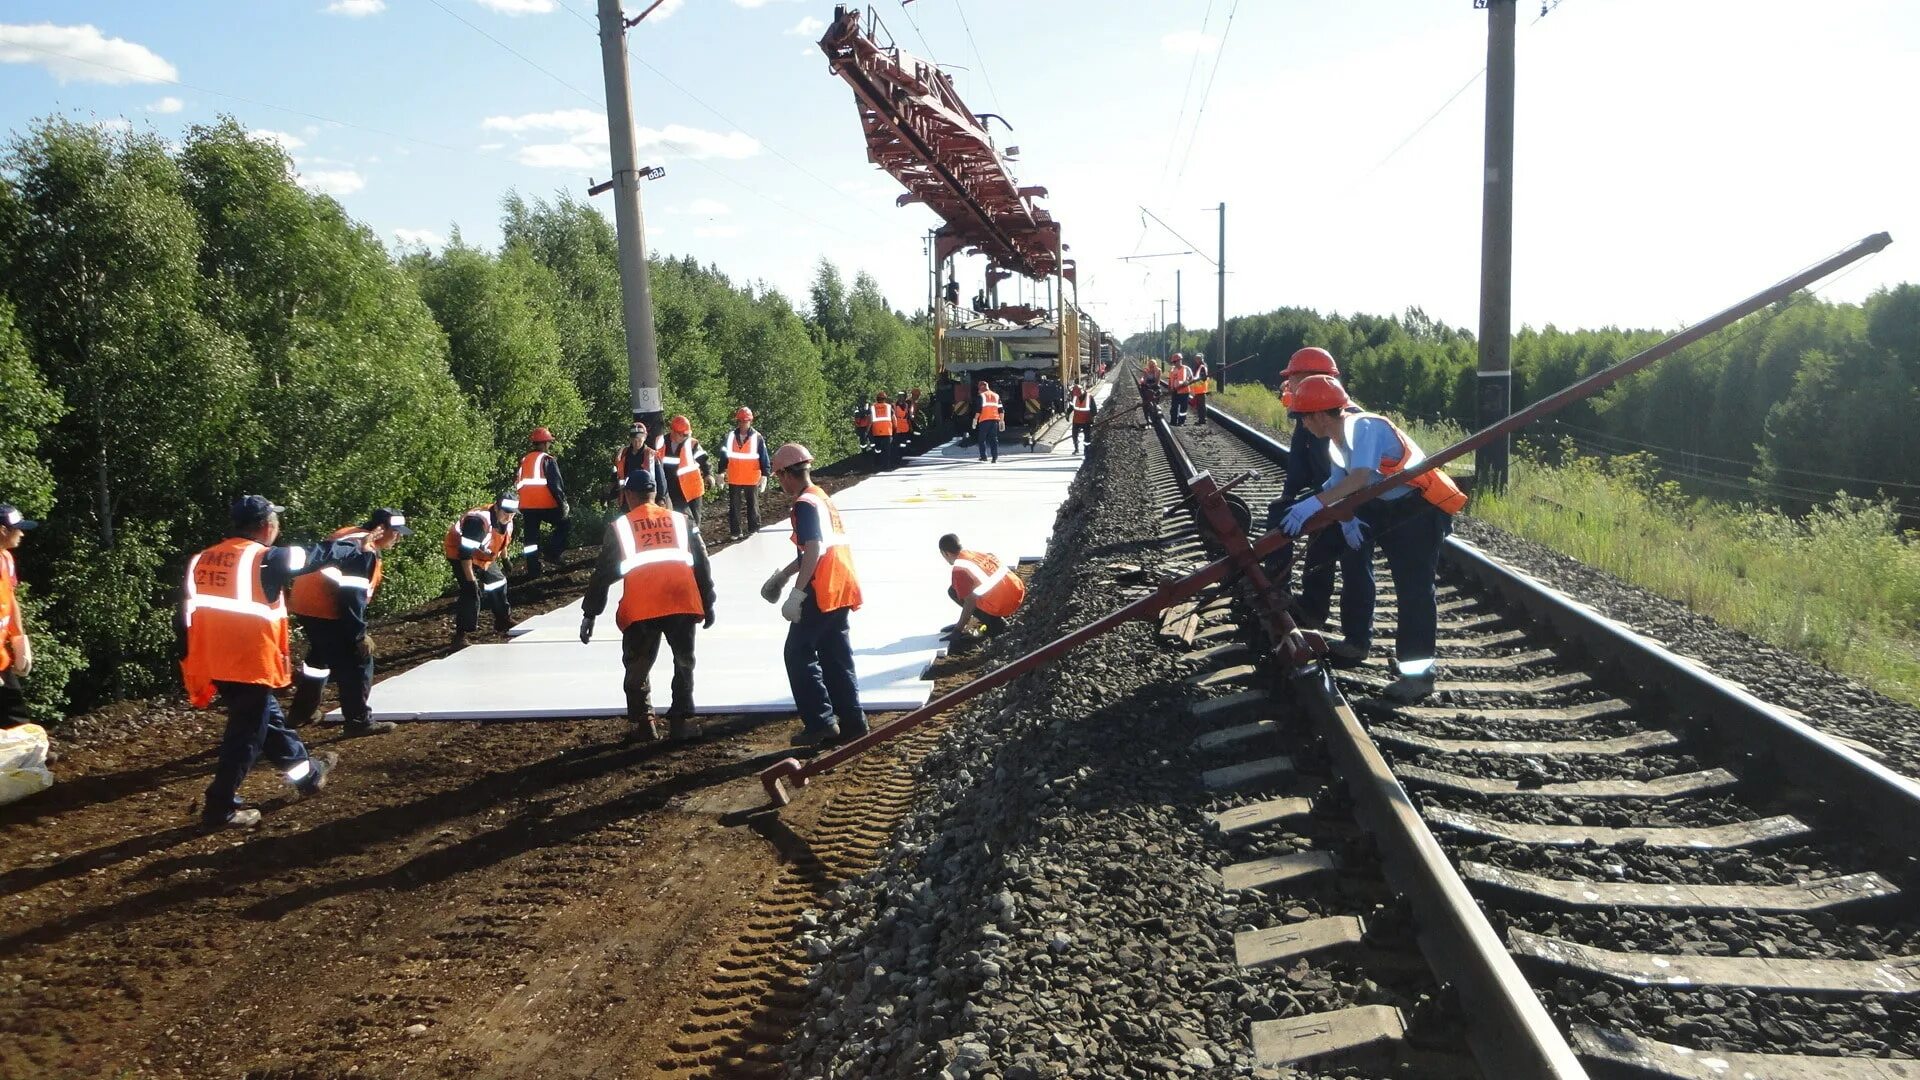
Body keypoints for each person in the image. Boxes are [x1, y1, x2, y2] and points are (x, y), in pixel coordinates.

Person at [1278, 375, 1467, 704]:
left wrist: (1314, 505)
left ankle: (1418, 677)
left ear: (1320, 416)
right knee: (1345, 551)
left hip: (1418, 511)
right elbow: (1337, 487)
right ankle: (1356, 641)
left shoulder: (1363, 427)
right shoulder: (1337, 442)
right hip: (1386, 508)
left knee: (1414, 590)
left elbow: (1362, 477)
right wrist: (1317, 511)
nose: (1303, 426)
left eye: (1303, 418)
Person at [182, 496, 339, 829]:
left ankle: (307, 776)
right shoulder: (269, 558)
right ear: (268, 525)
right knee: (246, 735)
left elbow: (185, 614)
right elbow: (314, 556)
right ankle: (219, 806)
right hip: (249, 662)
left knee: (268, 721)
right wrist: (349, 547)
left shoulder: (202, 558)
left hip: (214, 659)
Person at [580, 470, 716, 742]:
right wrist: (708, 601)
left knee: (637, 665)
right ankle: (681, 722)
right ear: (655, 494)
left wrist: (590, 614)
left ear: (629, 495)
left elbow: (603, 573)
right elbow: (702, 562)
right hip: (681, 600)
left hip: (642, 607)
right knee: (683, 662)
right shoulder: (681, 521)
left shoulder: (621, 528)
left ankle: (645, 722)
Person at [760, 443, 866, 746]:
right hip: (841, 584)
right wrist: (783, 575)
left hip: (822, 587)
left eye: (779, 477)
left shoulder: (804, 503)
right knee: (835, 655)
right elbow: (813, 548)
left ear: (785, 474)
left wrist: (796, 594)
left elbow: (816, 549)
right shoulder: (821, 498)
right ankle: (853, 723)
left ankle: (820, 722)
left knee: (797, 652)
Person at [1267, 348, 1369, 656]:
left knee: (1355, 564)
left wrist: (1338, 511)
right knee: (1312, 546)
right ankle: (1303, 607)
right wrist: (1290, 496)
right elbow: (1299, 458)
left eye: (1294, 377)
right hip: (1327, 494)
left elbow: (1355, 474)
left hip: (1356, 500)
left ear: (1316, 377)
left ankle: (1357, 641)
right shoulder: (1308, 411)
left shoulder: (1345, 416)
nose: (1290, 383)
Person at [285, 510, 410, 735]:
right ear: (380, 529)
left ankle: (302, 712)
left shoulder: (349, 533)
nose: (398, 538)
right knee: (358, 661)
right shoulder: (365, 550)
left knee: (319, 659)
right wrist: (359, 635)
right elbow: (352, 597)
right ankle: (358, 721)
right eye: (395, 533)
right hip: (325, 606)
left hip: (304, 603)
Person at [446, 493, 518, 648]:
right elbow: (465, 554)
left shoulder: (508, 520)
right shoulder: (478, 522)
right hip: (459, 554)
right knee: (470, 593)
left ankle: (502, 620)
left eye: (512, 514)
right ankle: (460, 636)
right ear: (496, 507)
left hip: (482, 556)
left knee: (498, 581)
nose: (509, 517)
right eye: (506, 512)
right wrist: (471, 581)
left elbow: (503, 540)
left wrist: (505, 559)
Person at [937, 534, 1026, 649]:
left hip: (1006, 605)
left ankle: (995, 625)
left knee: (954, 592)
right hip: (1018, 593)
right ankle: (985, 619)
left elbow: (970, 602)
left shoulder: (959, 569)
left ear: (946, 553)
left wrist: (957, 630)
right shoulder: (973, 554)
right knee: (957, 588)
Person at [0, 504, 39, 729]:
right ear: (2, 530)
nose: (22, 534)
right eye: (17, 529)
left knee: (15, 720)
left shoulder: (5, 559)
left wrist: (19, 640)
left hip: (1, 658)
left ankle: (26, 759)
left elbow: (10, 599)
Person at [515, 426, 570, 577]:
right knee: (564, 524)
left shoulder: (524, 460)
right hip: (546, 504)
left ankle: (533, 569)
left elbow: (518, 483)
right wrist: (562, 503)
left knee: (530, 539)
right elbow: (556, 484)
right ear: (545, 443)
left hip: (526, 506)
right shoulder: (547, 460)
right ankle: (552, 553)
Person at [724, 406, 773, 539]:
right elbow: (724, 456)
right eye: (741, 421)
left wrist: (765, 475)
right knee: (734, 506)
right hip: (734, 476)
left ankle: (754, 529)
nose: (743, 423)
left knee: (753, 505)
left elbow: (764, 457)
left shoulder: (757, 437)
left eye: (745, 421)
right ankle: (735, 532)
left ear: (750, 421)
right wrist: (720, 472)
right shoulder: (730, 437)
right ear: (738, 421)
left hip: (751, 477)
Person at [655, 415, 710, 530]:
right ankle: (687, 545)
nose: (686, 437)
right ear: (673, 431)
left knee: (694, 521)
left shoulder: (692, 444)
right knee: (681, 521)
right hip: (673, 491)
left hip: (692, 490)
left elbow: (703, 460)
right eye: (683, 434)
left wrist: (708, 474)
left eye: (687, 434)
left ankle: (696, 545)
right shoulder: (661, 443)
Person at [611, 421, 663, 504]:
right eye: (634, 439)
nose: (636, 442)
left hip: (646, 498)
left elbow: (660, 480)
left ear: (645, 437)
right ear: (630, 439)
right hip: (627, 499)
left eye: (639, 439)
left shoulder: (651, 455)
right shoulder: (623, 454)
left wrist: (661, 499)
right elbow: (617, 476)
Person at [974, 380, 1003, 463]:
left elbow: (979, 410)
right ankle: (994, 457)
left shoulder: (981, 396)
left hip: (984, 420)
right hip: (994, 421)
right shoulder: (996, 396)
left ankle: (984, 456)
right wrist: (1001, 421)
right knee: (993, 439)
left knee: (982, 439)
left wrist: (975, 419)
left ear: (981, 388)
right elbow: (1001, 410)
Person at [869, 391, 898, 469]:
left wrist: (868, 431)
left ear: (877, 399)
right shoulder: (889, 407)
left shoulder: (872, 407)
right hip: (887, 431)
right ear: (885, 399)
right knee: (887, 449)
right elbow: (894, 418)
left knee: (878, 449)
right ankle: (887, 465)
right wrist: (895, 428)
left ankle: (878, 464)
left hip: (876, 432)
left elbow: (870, 420)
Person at [1068, 379, 1096, 453]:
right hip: (1076, 420)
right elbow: (1071, 407)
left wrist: (1092, 419)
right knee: (1074, 435)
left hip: (1086, 421)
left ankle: (1086, 450)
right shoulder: (1075, 397)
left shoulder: (1089, 397)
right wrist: (1067, 414)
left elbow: (1094, 410)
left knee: (1087, 436)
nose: (1076, 396)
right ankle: (1076, 449)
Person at [1167, 353, 1192, 426]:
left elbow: (1191, 378)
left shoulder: (1186, 368)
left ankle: (1181, 422)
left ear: (1180, 360)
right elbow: (1170, 380)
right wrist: (1170, 388)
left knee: (1183, 408)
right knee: (1174, 407)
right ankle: (1173, 421)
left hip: (1184, 392)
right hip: (1175, 392)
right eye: (1173, 362)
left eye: (1175, 362)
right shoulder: (1172, 369)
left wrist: (1187, 382)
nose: (1174, 363)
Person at [1189, 351, 1211, 425]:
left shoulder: (1202, 366)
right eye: (1196, 358)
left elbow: (1203, 378)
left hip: (1201, 389)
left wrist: (1195, 382)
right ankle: (1201, 419)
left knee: (1201, 405)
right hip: (1198, 389)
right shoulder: (1198, 366)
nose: (1197, 359)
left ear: (1201, 359)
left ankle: (1203, 419)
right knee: (1199, 405)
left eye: (1198, 358)